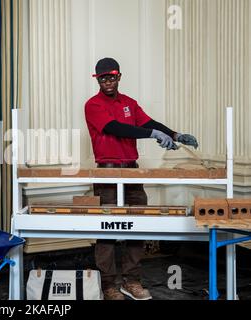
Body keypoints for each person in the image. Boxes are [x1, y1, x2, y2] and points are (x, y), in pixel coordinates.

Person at [84, 58, 198, 300]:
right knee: (106, 229)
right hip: (107, 172)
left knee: (138, 224)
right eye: (103, 78)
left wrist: (174, 134)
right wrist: (151, 134)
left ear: (119, 77)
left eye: (111, 77)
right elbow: (116, 128)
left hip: (132, 171)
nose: (107, 82)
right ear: (97, 80)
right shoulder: (93, 105)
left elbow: (148, 123)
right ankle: (108, 285)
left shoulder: (129, 103)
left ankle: (132, 281)